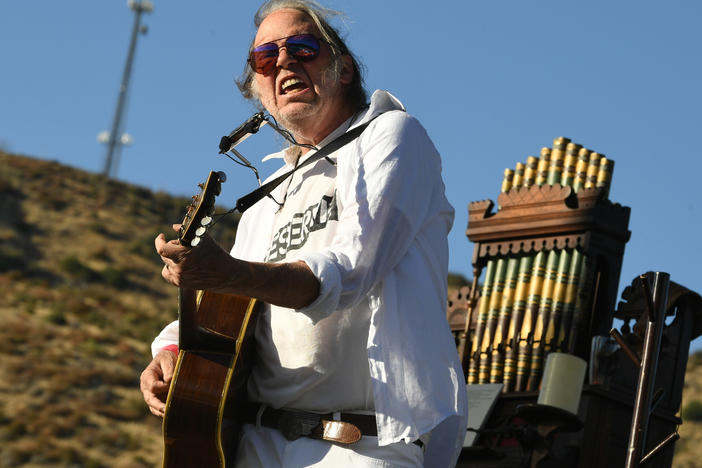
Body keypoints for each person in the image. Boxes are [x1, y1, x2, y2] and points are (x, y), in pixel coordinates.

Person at [140, 1, 467, 466]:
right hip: (254, 442)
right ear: (258, 89)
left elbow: (351, 272)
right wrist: (169, 350)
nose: (285, 63)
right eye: (265, 58)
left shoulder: (391, 135)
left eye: (302, 48)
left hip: (361, 445)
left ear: (345, 69)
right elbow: (231, 308)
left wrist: (227, 273)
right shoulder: (270, 192)